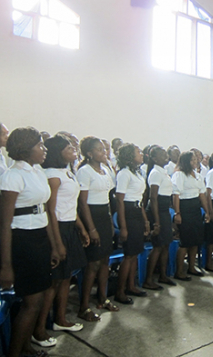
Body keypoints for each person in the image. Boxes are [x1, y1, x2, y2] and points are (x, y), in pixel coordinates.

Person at [0, 127, 62, 357]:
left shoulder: (36, 172)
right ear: (25, 149)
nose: (44, 149)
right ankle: (16, 352)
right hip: (22, 240)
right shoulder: (12, 176)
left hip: (39, 238)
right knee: (31, 302)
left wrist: (53, 246)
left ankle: (25, 346)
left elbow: (42, 211)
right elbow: (4, 225)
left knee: (39, 297)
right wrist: (5, 266)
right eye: (40, 145)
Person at [33, 135, 89, 345]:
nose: (74, 150)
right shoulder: (52, 175)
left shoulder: (67, 172)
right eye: (69, 148)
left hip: (69, 226)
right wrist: (57, 243)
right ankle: (39, 329)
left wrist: (81, 228)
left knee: (65, 277)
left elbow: (70, 206)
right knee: (54, 281)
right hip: (56, 229)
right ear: (58, 152)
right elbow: (51, 211)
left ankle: (60, 319)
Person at [76, 136, 118, 321]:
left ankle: (103, 297)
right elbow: (83, 203)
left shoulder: (105, 170)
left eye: (104, 149)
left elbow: (108, 198)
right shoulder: (84, 171)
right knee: (92, 264)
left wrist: (109, 221)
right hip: (91, 216)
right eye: (100, 150)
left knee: (105, 261)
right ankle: (83, 306)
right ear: (89, 153)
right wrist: (91, 229)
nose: (105, 152)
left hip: (104, 216)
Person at [114, 144, 150, 304]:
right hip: (127, 212)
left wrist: (145, 220)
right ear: (130, 156)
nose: (141, 154)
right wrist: (123, 227)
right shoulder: (124, 174)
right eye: (138, 152)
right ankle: (120, 292)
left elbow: (140, 200)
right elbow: (120, 201)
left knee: (135, 253)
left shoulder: (137, 173)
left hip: (136, 211)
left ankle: (131, 285)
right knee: (128, 255)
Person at [171, 151, 210, 280]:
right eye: (192, 160)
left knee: (195, 240)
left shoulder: (198, 176)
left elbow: (202, 195)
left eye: (196, 160)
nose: (195, 162)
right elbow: (176, 195)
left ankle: (192, 267)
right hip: (184, 208)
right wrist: (177, 213)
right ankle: (179, 271)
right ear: (185, 161)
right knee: (185, 242)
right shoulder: (179, 175)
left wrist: (207, 211)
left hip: (195, 208)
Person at [143, 146, 176, 289]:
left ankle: (163, 275)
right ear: (155, 158)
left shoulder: (164, 172)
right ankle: (148, 279)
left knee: (166, 244)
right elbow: (153, 198)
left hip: (164, 210)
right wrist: (156, 221)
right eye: (162, 154)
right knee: (158, 246)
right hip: (158, 211)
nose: (166, 156)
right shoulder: (155, 173)